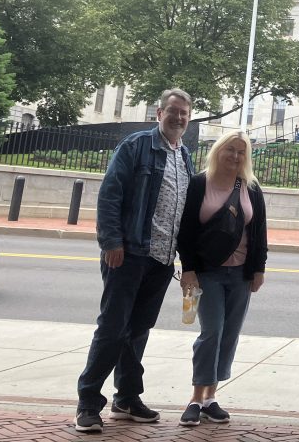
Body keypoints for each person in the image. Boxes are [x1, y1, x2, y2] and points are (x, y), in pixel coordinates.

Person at [75, 88, 196, 433]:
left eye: (184, 113)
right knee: (113, 329)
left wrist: (185, 261)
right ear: (159, 113)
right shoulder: (136, 146)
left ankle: (126, 398)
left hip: (161, 259)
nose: (178, 118)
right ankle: (87, 402)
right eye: (173, 111)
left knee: (138, 331)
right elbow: (110, 194)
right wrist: (111, 241)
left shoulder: (184, 155)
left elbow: (182, 212)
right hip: (128, 253)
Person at [176, 130, 268, 426]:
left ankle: (211, 398)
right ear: (218, 151)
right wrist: (188, 268)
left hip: (241, 273)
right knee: (211, 332)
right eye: (230, 150)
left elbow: (259, 231)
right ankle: (194, 397)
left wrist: (258, 269)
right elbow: (187, 229)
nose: (235, 156)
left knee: (229, 334)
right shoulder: (200, 183)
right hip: (207, 271)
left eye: (241, 152)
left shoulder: (251, 188)